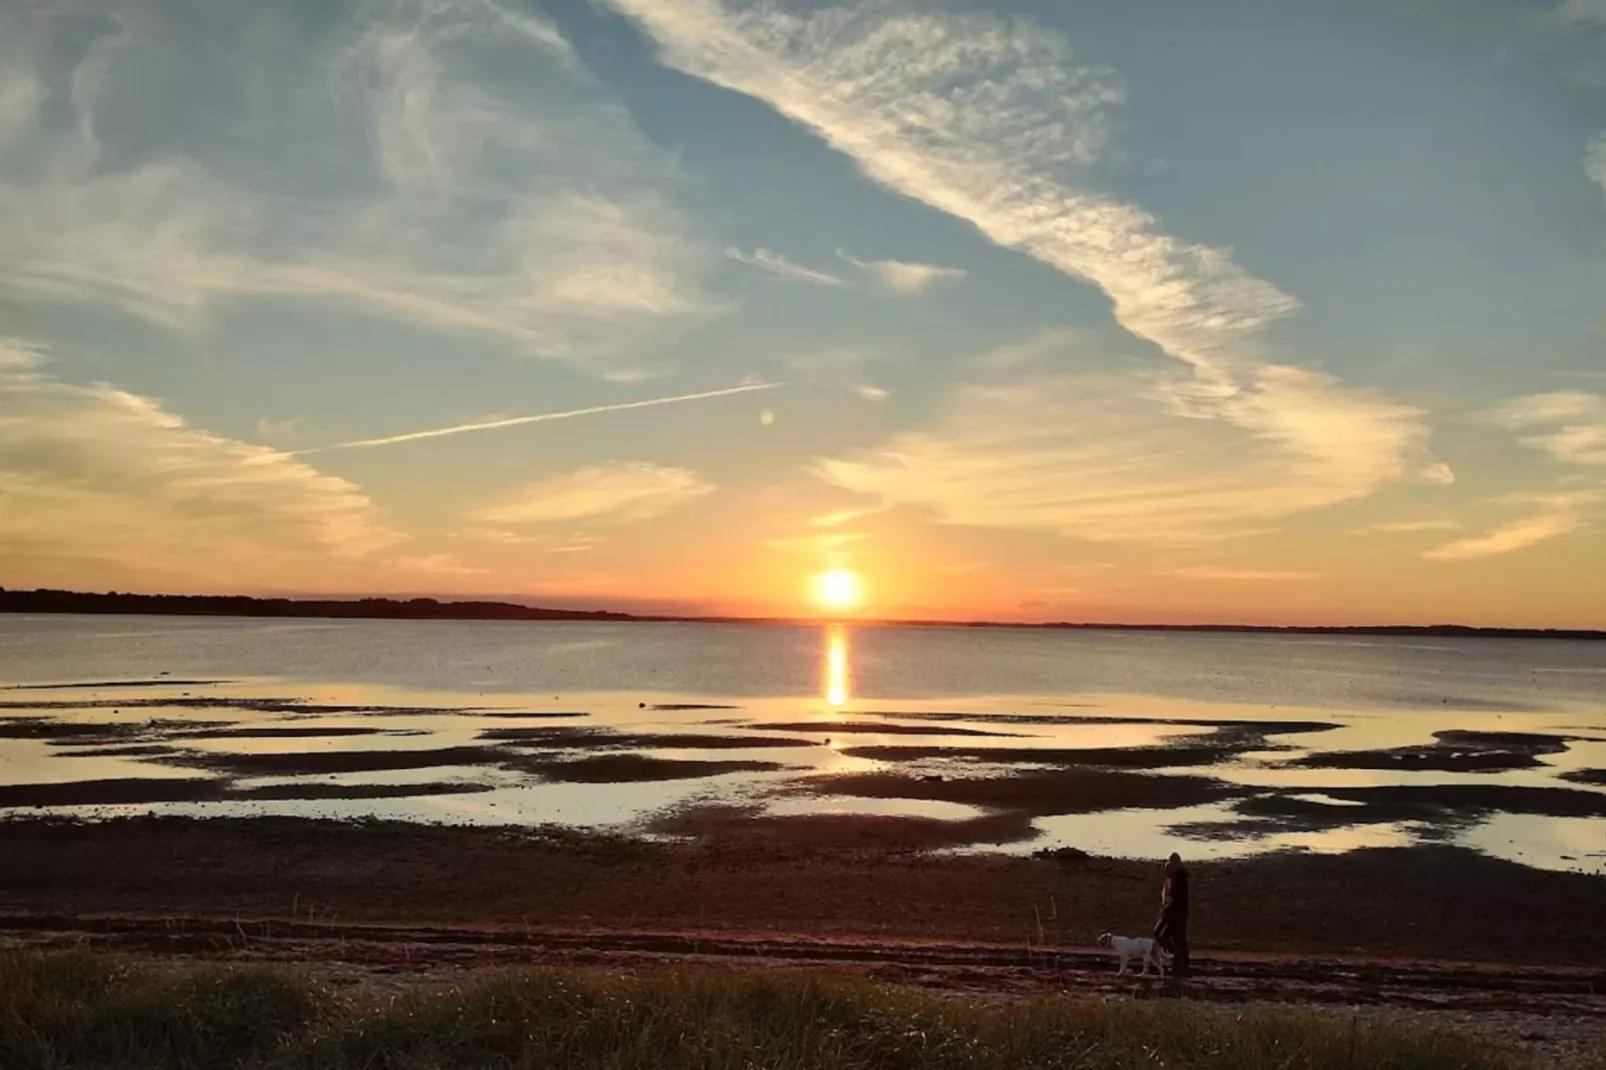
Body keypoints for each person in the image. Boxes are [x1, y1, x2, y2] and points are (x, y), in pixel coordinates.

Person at [1152, 852, 1190, 978]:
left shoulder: (1180, 881)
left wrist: (1165, 910)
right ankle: (1177, 962)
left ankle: (1177, 963)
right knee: (1167, 937)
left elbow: (1175, 900)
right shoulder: (1173, 879)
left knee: (1172, 938)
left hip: (1175, 914)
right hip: (1171, 913)